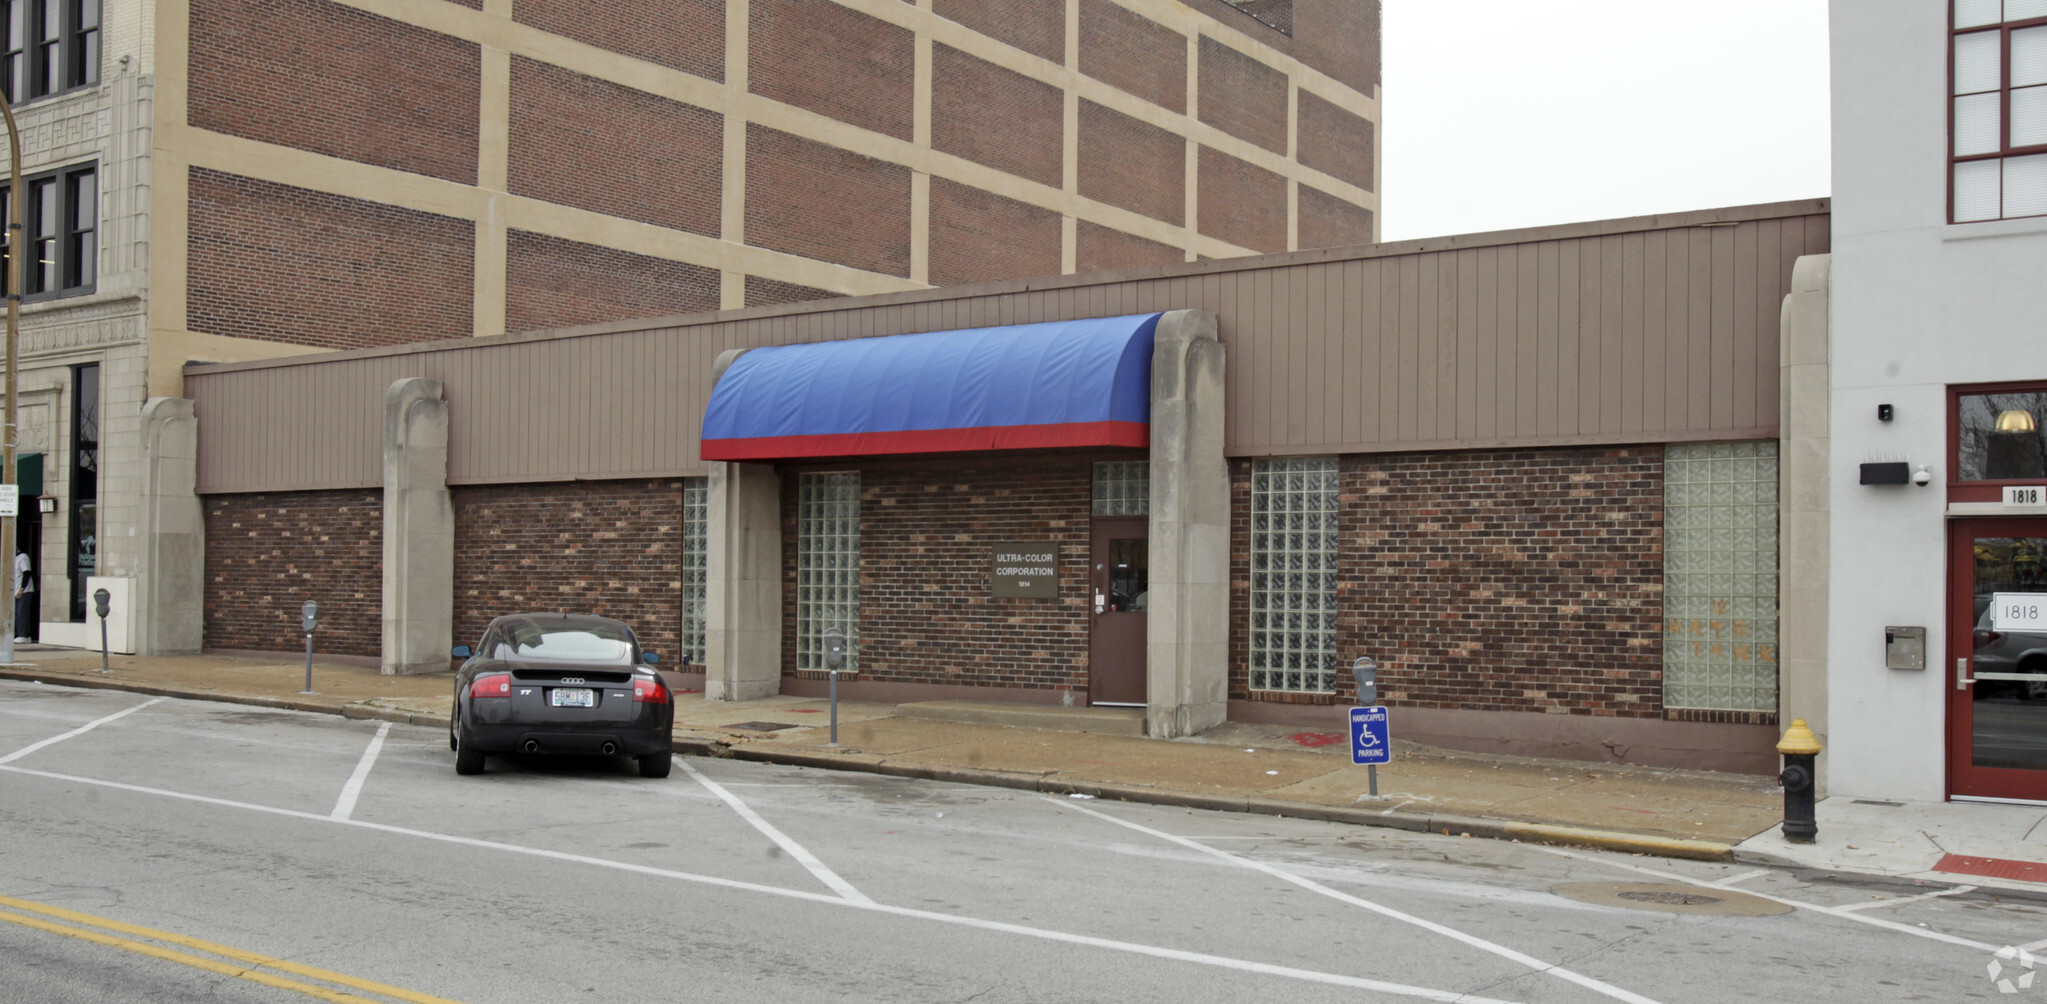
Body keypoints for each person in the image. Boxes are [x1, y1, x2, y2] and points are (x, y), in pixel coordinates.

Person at [13, 549, 33, 644]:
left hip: (24, 591)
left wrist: (22, 589)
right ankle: (21, 634)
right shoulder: (13, 559)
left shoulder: (23, 557)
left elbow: (27, 573)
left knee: (21, 613)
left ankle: (24, 635)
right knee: (17, 613)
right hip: (14, 591)